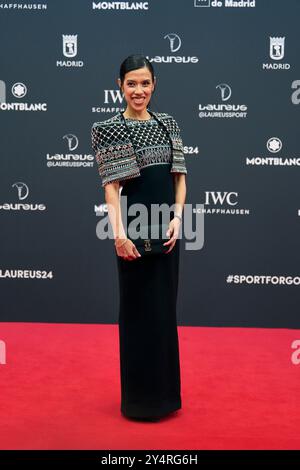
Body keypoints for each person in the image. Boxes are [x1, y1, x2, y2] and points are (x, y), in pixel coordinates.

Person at [91, 54, 187, 422]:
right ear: (120, 86)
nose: (139, 90)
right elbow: (112, 190)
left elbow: (179, 176)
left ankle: (165, 398)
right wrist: (118, 236)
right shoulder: (112, 128)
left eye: (145, 83)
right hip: (132, 236)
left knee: (164, 313)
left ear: (154, 85)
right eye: (131, 83)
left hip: (167, 234)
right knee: (137, 316)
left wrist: (179, 218)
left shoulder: (168, 124)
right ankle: (139, 401)